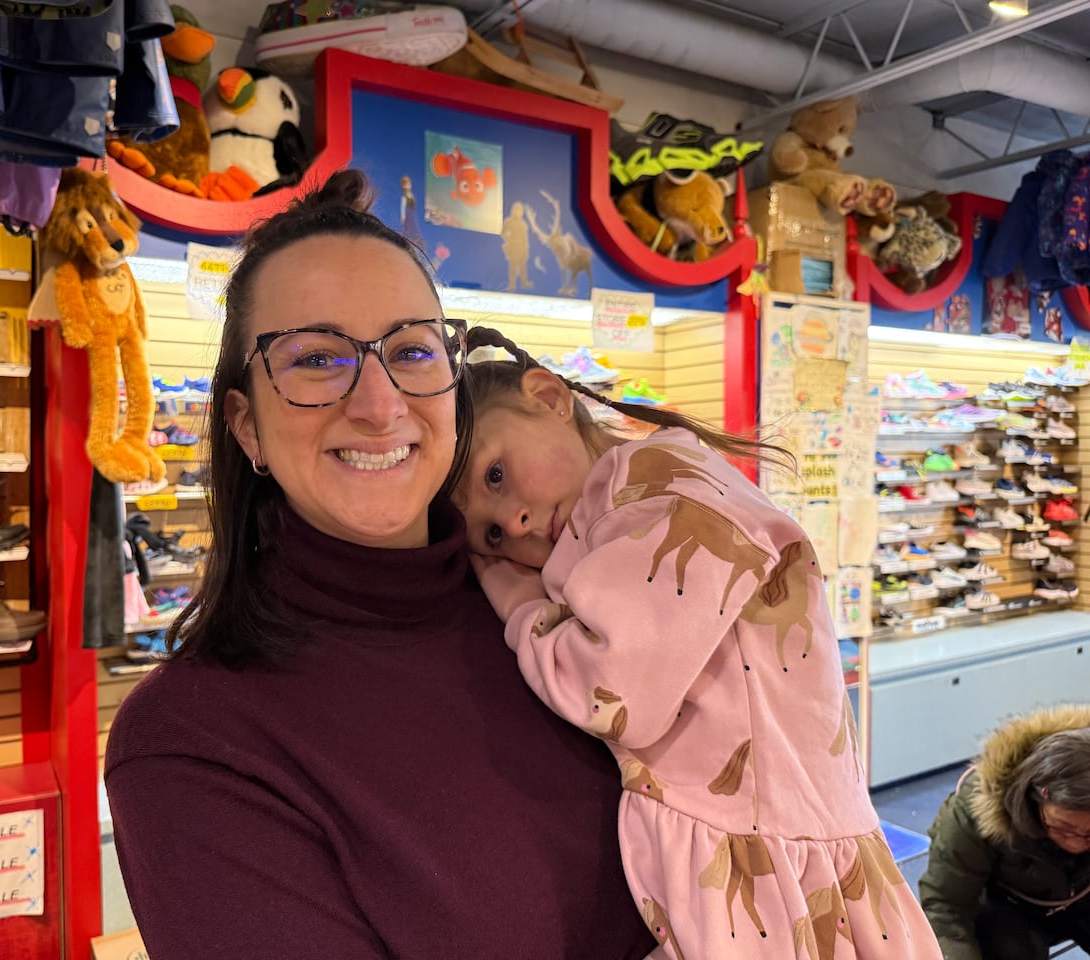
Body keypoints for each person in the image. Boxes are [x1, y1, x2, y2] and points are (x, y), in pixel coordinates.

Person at [103, 170, 657, 960]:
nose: (380, 403)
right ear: (246, 426)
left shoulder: (563, 607)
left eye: (412, 350)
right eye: (317, 359)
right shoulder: (194, 743)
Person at [450, 327, 943, 958]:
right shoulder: (628, 506)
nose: (513, 523)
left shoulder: (651, 487)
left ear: (549, 396)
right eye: (491, 537)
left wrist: (514, 599)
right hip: (769, 849)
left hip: (769, 866)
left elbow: (615, 691)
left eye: (497, 474)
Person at [919, 706, 1090, 960]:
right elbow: (946, 908)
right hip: (1006, 908)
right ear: (1033, 798)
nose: (1078, 843)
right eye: (1064, 827)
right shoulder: (977, 810)